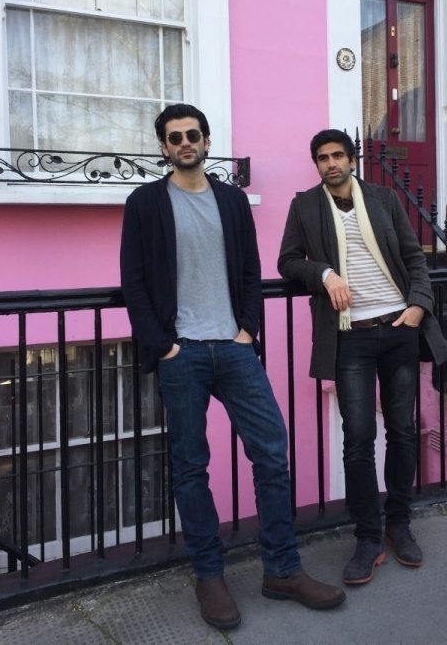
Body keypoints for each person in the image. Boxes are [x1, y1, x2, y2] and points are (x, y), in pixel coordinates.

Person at [120, 105, 345, 630]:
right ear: (163, 147)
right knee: (191, 465)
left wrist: (248, 329)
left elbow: (249, 270)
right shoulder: (145, 202)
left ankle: (282, 570)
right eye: (174, 137)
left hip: (235, 348)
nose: (185, 143)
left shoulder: (231, 199)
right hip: (183, 354)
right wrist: (163, 345)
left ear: (206, 140)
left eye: (192, 135)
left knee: (271, 452)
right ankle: (209, 575)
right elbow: (133, 280)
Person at [277, 129, 447, 586]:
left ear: (352, 159)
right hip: (349, 337)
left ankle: (399, 525)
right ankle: (368, 538)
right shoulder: (305, 206)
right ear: (316, 164)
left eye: (338, 155)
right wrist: (324, 273)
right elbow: (288, 261)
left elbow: (414, 258)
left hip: (398, 329)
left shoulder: (384, 199)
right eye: (322, 158)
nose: (331, 163)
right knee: (357, 438)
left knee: (402, 430)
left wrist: (418, 305)